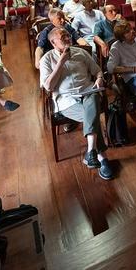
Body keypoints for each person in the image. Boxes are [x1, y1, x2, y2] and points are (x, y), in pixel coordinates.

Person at [39, 27, 114, 180]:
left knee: (92, 98)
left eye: (67, 34)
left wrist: (99, 79)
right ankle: (101, 157)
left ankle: (92, 152)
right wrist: (61, 62)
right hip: (66, 100)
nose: (68, 37)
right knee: (91, 116)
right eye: (63, 36)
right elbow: (48, 86)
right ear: (53, 42)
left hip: (87, 92)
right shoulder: (47, 59)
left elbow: (98, 71)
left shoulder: (81, 52)